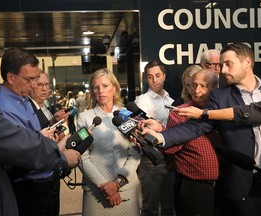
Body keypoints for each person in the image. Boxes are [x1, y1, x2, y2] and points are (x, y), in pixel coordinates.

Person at [140, 43, 261, 215]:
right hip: (245, 187)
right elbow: (195, 127)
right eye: (221, 65)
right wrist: (162, 136)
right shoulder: (220, 96)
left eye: (228, 64)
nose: (222, 71)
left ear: (247, 62)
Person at [0, 47, 66, 216]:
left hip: (46, 182)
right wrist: (62, 156)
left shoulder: (24, 97)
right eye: (29, 80)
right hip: (27, 188)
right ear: (11, 77)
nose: (33, 85)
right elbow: (19, 152)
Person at [0, 109, 81, 216]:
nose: (44, 90)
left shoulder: (29, 105)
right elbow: (18, 146)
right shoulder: (1, 106)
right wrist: (62, 157)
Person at [77, 68, 141, 216]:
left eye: (105, 86)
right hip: (96, 192)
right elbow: (82, 156)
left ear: (115, 88)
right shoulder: (85, 118)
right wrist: (104, 186)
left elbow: (135, 153)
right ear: (92, 91)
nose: (101, 91)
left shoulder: (128, 115)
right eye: (96, 87)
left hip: (126, 190)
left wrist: (117, 184)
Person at [164, 69, 221, 215]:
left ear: (216, 88)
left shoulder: (223, 112)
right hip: (193, 188)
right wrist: (161, 134)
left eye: (203, 86)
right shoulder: (180, 113)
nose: (196, 90)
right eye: (194, 85)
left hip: (225, 187)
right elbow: (169, 150)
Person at [134, 61, 175, 216]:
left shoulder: (171, 102)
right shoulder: (143, 101)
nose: (155, 80)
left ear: (164, 76)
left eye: (158, 75)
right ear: (146, 79)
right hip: (150, 157)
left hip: (170, 156)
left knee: (169, 206)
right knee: (150, 206)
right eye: (150, 77)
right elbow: (143, 129)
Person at [29, 70, 70, 215]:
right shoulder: (28, 107)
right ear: (30, 84)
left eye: (46, 84)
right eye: (40, 84)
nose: (44, 88)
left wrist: (54, 121)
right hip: (38, 179)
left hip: (51, 176)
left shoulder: (44, 106)